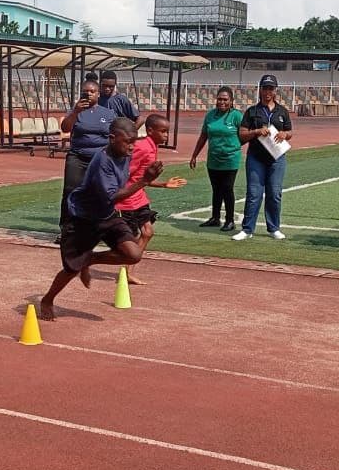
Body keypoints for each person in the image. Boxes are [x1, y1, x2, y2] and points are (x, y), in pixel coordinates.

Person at [40, 118, 163, 320]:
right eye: (128, 142)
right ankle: (48, 299)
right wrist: (145, 181)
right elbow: (112, 196)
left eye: (134, 141)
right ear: (112, 139)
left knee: (133, 254)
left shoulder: (124, 154)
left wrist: (149, 180)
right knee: (71, 269)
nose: (132, 146)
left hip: (107, 215)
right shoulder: (102, 162)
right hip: (83, 219)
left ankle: (91, 258)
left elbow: (124, 186)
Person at [116, 113, 187, 284]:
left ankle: (127, 272)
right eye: (162, 131)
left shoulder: (152, 146)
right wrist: (118, 193)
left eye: (167, 132)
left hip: (139, 197)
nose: (166, 135)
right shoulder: (142, 147)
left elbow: (143, 178)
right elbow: (126, 172)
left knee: (147, 232)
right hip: (127, 199)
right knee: (130, 238)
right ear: (149, 130)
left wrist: (163, 184)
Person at [233, 74, 294, 241]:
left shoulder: (282, 111)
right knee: (254, 193)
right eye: (265, 88)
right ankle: (247, 229)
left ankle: (273, 228)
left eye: (271, 88)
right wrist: (256, 131)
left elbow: (290, 132)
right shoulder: (252, 111)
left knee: (274, 193)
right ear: (260, 89)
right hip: (256, 158)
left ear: (275, 90)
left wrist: (284, 134)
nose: (268, 91)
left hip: (277, 158)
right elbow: (242, 134)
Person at [56, 78, 118, 230]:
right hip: (78, 157)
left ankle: (100, 226)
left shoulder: (108, 113)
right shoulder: (76, 111)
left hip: (99, 159)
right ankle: (67, 227)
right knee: (71, 191)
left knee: (102, 192)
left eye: (92, 91)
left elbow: (115, 134)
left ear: (98, 94)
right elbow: (65, 128)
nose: (89, 94)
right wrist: (76, 111)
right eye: (85, 92)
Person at [189, 87, 244, 232]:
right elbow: (203, 136)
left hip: (230, 159)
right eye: (219, 99)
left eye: (225, 99)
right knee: (216, 189)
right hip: (213, 159)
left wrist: (235, 146)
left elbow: (244, 135)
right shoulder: (210, 115)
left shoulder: (236, 116)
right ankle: (215, 217)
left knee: (227, 188)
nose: (222, 102)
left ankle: (230, 220)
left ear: (231, 101)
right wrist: (194, 155)